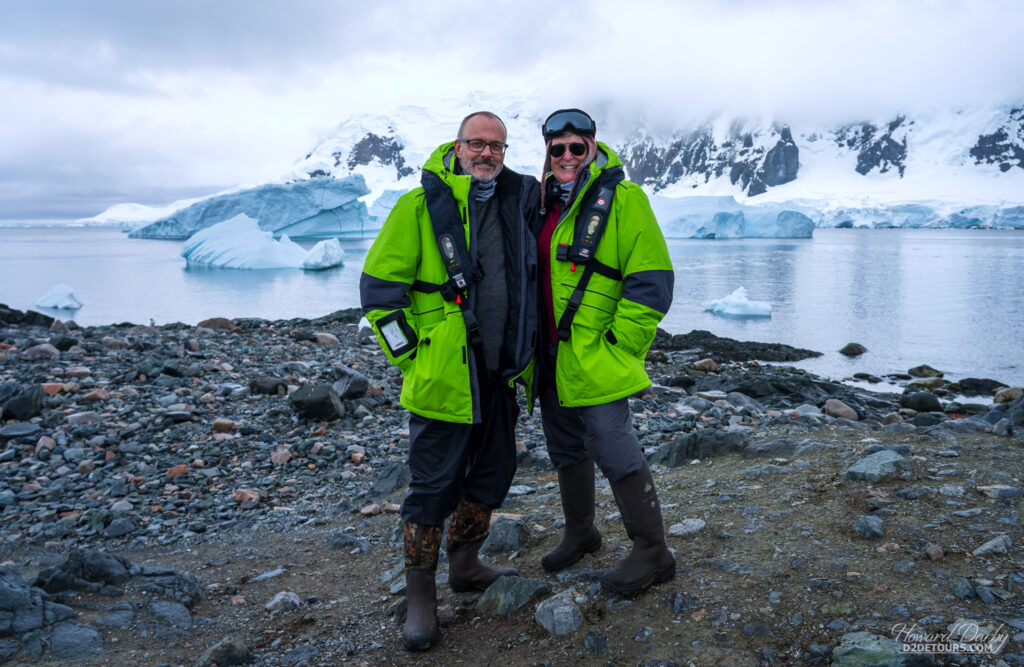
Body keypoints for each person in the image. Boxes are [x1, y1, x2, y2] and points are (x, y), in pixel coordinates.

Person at [360, 111, 539, 650]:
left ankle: (465, 564)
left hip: (499, 371)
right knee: (433, 485)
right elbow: (378, 292)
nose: (487, 154)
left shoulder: (514, 204)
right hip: (444, 375)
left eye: (497, 147)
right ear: (457, 147)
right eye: (477, 144)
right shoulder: (418, 207)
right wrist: (412, 358)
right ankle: (421, 595)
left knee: (493, 471)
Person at [533, 108, 675, 596]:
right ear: (548, 154)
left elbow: (652, 282)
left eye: (578, 146)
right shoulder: (543, 203)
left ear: (593, 147)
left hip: (598, 351)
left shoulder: (625, 198)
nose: (568, 156)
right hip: (550, 352)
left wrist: (619, 345)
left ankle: (653, 551)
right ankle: (581, 533)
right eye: (558, 149)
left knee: (612, 444)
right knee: (565, 446)